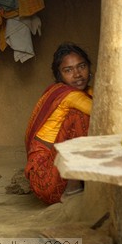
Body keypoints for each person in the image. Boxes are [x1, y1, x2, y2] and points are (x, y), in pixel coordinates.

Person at [25, 42, 93, 204]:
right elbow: (104, 114)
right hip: (46, 179)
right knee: (79, 116)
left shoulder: (85, 92)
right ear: (59, 76)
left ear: (89, 68)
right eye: (68, 70)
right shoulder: (69, 96)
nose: (77, 74)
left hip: (52, 176)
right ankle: (73, 188)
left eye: (81, 66)